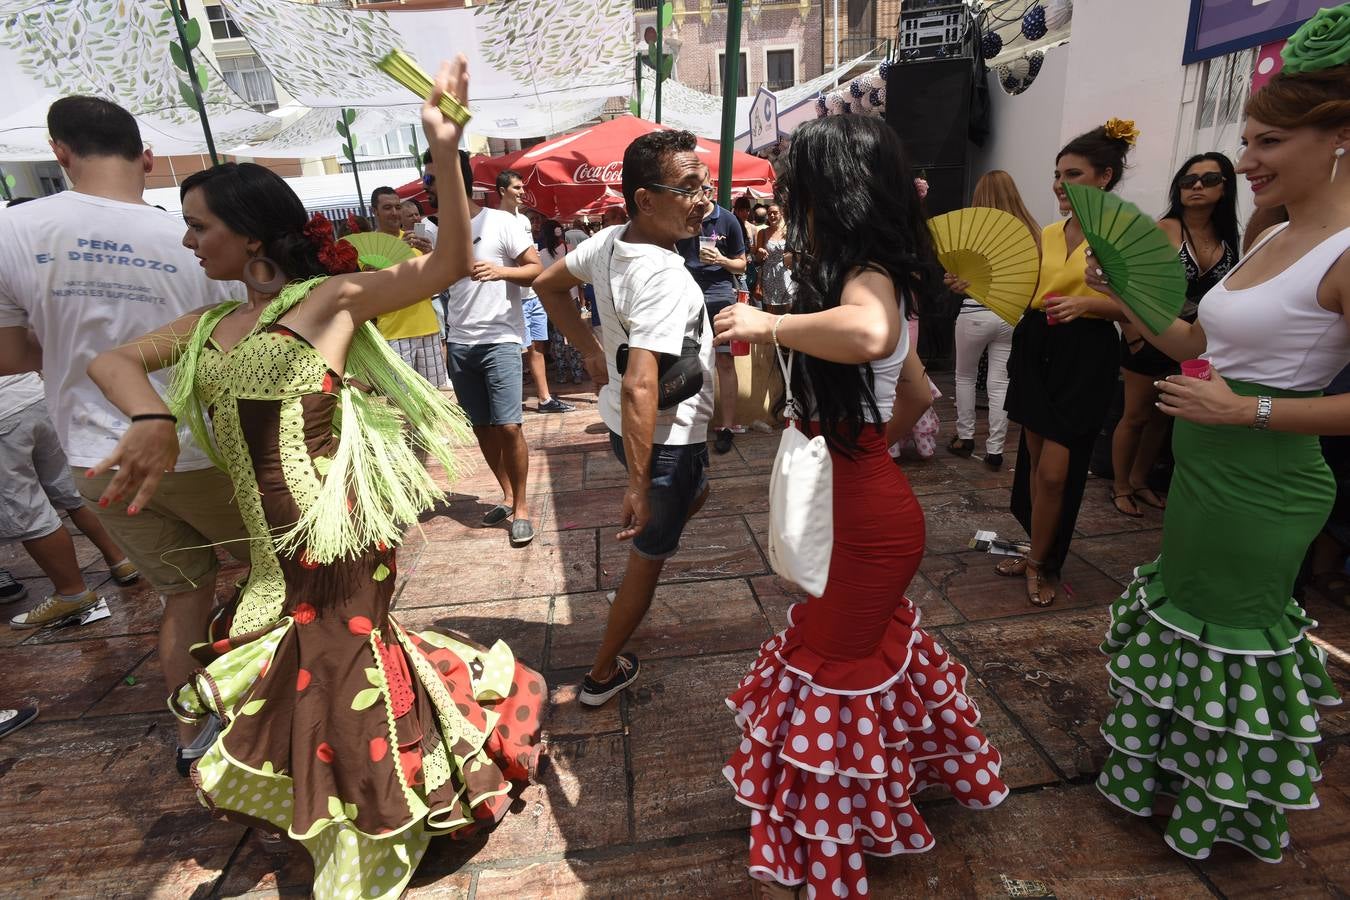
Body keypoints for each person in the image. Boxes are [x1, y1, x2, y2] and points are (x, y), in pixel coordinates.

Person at [86, 58, 544, 899]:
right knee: (317, 665)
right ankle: (373, 784)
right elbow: (108, 359)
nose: (187, 242)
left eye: (198, 227)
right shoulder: (210, 321)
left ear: (251, 234)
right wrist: (150, 419)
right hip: (268, 539)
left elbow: (444, 267)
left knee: (334, 663)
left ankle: (369, 827)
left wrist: (447, 150)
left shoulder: (329, 300)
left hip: (336, 529)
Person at [711, 115, 1009, 899]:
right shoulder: (862, 270)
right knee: (848, 667)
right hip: (863, 504)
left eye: (796, 182)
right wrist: (857, 445)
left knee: (837, 677)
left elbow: (875, 335)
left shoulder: (867, 279)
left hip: (858, 523)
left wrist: (768, 323)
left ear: (829, 189)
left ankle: (834, 844)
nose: (786, 196)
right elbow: (915, 391)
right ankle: (861, 807)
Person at [1086, 33, 1349, 862]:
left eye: (1268, 141)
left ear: (1341, 137)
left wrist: (1249, 414)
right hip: (1202, 477)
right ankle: (1174, 775)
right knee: (1189, 632)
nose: (1246, 161)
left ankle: (1223, 808)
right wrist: (1124, 293)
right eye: (1246, 140)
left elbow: (1246, 390)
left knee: (1231, 645)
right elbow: (1198, 339)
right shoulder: (1272, 235)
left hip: (1265, 489)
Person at [0, 95, 250, 758]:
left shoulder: (13, 230)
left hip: (96, 460)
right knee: (283, 578)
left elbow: (5, 354)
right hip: (201, 451)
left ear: (59, 152)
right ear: (145, 157)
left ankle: (194, 735)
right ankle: (279, 717)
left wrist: (73, 356)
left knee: (184, 594)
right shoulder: (195, 236)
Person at [533, 129, 715, 708]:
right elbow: (640, 382)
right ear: (645, 199)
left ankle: (669, 506)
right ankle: (601, 674)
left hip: (629, 427)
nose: (704, 199)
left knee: (694, 493)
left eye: (704, 184)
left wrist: (588, 348)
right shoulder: (660, 275)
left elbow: (548, 284)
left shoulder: (611, 241)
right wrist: (639, 485)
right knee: (649, 556)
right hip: (663, 441)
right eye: (687, 188)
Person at [1001, 122, 1136, 607]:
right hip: (1037, 344)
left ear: (1104, 176)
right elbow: (1029, 293)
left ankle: (1041, 561)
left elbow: (1147, 309)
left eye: (1072, 174)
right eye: (1057, 174)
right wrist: (973, 284)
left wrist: (1092, 306)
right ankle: (1039, 549)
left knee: (1057, 471)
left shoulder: (1125, 233)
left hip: (1086, 352)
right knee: (1036, 464)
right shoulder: (1051, 232)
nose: (1059, 184)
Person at [1110, 153, 1239, 516]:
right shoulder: (1164, 228)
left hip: (1195, 342)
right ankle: (1120, 486)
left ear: (1226, 187)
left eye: (1209, 179)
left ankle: (1140, 480)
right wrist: (1133, 333)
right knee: (1135, 414)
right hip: (1148, 334)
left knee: (1164, 415)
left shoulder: (1229, 237)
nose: (1197, 186)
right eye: (1188, 180)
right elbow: (1126, 283)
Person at [442, 152, 543, 547]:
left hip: (500, 338)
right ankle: (505, 494)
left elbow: (535, 271)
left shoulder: (501, 221)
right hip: (459, 342)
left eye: (437, 180)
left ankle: (522, 507)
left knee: (508, 425)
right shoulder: (440, 232)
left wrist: (501, 271)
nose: (433, 189)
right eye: (429, 181)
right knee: (482, 427)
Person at [1, 371, 139, 627]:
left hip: (3, 416)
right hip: (34, 395)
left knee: (26, 511)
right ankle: (121, 559)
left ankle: (71, 592)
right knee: (69, 489)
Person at [946, 171, 1041, 471]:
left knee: (965, 377)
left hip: (974, 313)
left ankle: (965, 438)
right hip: (1012, 315)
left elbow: (955, 276)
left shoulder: (972, 231)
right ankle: (996, 450)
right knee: (1000, 382)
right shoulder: (1030, 231)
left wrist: (953, 281)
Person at [676, 174, 747, 453]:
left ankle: (727, 426)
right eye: (692, 190)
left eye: (703, 189)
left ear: (712, 189)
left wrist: (721, 260)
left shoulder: (728, 219)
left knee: (725, 362)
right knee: (686, 360)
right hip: (686, 295)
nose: (699, 194)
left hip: (720, 296)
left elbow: (741, 265)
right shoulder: (682, 218)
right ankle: (691, 426)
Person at [496, 169, 572, 413]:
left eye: (522, 187)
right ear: (501, 191)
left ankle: (544, 398)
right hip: (511, 296)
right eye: (516, 188)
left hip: (534, 295)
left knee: (537, 348)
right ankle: (510, 402)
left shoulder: (525, 220)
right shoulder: (494, 221)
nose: (522, 192)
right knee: (514, 351)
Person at [369, 186, 448, 389]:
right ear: (374, 211)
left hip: (428, 327)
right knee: (402, 401)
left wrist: (431, 253)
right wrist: (398, 251)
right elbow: (371, 279)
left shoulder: (416, 238)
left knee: (435, 396)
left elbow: (436, 280)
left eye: (397, 207)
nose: (394, 213)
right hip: (393, 332)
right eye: (387, 208)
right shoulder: (369, 244)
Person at [539, 219, 585, 384]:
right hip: (571, 297)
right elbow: (577, 275)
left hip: (552, 300)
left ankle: (561, 373)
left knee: (557, 338)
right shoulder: (569, 249)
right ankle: (577, 372)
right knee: (575, 336)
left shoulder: (542, 254)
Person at [752, 199, 793, 311]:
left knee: (788, 308)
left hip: (785, 273)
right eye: (769, 213)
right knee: (771, 310)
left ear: (781, 213)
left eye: (775, 212)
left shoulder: (788, 231)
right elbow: (757, 257)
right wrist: (760, 251)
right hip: (769, 274)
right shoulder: (763, 232)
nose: (772, 215)